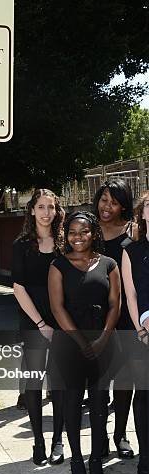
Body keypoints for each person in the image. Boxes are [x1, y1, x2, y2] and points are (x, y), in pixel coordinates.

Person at [49, 211, 121, 474]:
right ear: (66, 236)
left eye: (84, 232)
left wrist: (103, 339)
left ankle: (95, 459)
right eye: (72, 233)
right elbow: (57, 307)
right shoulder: (58, 265)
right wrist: (81, 342)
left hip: (103, 341)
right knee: (72, 400)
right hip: (69, 343)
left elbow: (115, 304)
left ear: (94, 233)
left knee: (100, 401)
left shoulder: (109, 264)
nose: (77, 238)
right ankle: (76, 458)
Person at [11, 188, 65, 466]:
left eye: (51, 207)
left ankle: (57, 440)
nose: (46, 212)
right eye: (41, 207)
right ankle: (39, 441)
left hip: (62, 321)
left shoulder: (64, 243)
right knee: (33, 382)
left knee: (58, 384)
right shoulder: (21, 245)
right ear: (32, 210)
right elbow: (18, 288)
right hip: (34, 322)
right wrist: (41, 324)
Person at [93, 180, 138, 458]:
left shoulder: (132, 233)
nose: (107, 207)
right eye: (104, 200)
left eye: (114, 202)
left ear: (123, 205)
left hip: (125, 316)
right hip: (94, 314)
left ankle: (121, 435)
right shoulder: (87, 230)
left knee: (125, 379)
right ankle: (100, 438)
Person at [122, 190, 149, 474]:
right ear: (142, 214)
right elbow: (130, 293)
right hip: (144, 332)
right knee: (143, 398)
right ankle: (146, 456)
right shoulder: (131, 250)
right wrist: (140, 331)